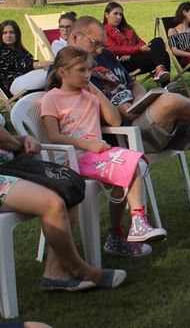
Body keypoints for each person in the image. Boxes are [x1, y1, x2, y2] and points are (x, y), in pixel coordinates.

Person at [67, 16, 190, 225]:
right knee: (169, 101)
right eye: (96, 44)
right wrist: (118, 110)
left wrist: (139, 98)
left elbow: (133, 84)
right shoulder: (69, 71)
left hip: (147, 119)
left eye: (102, 44)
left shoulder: (106, 56)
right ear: (75, 37)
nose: (100, 50)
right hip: (126, 135)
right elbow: (80, 118)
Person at [42, 47, 167, 258]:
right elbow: (53, 136)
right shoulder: (52, 98)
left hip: (97, 155)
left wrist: (97, 92)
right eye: (81, 70)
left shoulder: (90, 95)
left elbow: (115, 121)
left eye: (89, 70)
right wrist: (86, 145)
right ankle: (129, 228)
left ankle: (128, 228)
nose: (87, 75)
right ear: (62, 72)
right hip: (74, 158)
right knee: (132, 164)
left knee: (136, 163)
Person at [0, 122, 126, 291]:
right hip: (6, 171)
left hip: (10, 165)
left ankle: (55, 272)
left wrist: (23, 139)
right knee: (52, 204)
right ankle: (80, 269)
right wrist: (18, 144)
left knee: (66, 188)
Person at [103, 2, 171, 86]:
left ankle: (160, 71)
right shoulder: (103, 31)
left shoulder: (126, 28)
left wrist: (132, 52)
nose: (119, 17)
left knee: (158, 41)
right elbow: (114, 49)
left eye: (120, 14)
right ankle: (166, 85)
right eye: (115, 14)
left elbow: (141, 43)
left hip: (134, 57)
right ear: (106, 14)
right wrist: (137, 49)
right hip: (123, 63)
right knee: (163, 54)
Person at [0, 20, 50, 96]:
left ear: (17, 34)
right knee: (52, 72)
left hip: (27, 79)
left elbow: (29, 61)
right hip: (14, 84)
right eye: (5, 33)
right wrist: (40, 64)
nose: (8, 35)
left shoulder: (21, 50)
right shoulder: (2, 52)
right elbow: (21, 64)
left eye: (12, 32)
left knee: (54, 71)